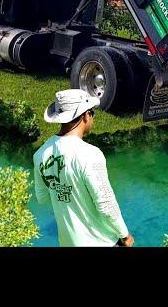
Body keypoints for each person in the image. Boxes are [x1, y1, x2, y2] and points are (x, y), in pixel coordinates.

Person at [34, 89, 135, 247]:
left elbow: (42, 198)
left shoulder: (40, 154)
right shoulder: (90, 154)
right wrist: (125, 234)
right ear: (85, 115)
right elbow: (106, 204)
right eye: (92, 113)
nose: (92, 117)